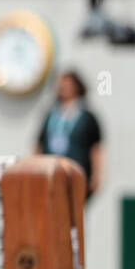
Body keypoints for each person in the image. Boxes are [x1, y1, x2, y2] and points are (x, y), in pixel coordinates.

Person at [35, 70, 104, 199]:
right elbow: (39, 144)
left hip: (77, 174)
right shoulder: (51, 115)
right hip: (51, 174)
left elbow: (96, 148)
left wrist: (97, 174)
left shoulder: (87, 118)